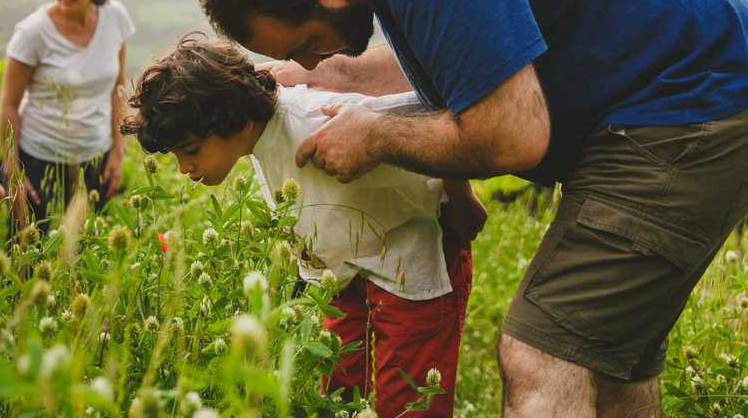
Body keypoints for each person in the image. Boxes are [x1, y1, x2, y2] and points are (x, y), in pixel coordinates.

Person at [195, 0, 748, 417]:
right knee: (612, 367)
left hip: (692, 111)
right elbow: (467, 50)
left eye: (305, 45)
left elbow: (512, 135)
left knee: (541, 357)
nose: (306, 64)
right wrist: (334, 76)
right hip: (697, 96)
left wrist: (375, 137)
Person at [121, 34, 487, 418]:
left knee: (408, 405)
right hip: (340, 275)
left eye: (192, 150)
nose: (183, 168)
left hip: (412, 262)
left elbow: (439, 117)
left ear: (239, 122)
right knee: (335, 396)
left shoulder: (318, 122)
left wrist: (461, 199)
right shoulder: (253, 130)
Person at [0, 0, 135, 230]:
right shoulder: (32, 33)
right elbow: (9, 105)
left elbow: (118, 87)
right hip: (37, 161)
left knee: (82, 255)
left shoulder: (115, 18)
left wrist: (117, 151)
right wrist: (13, 172)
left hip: (94, 160)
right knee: (28, 258)